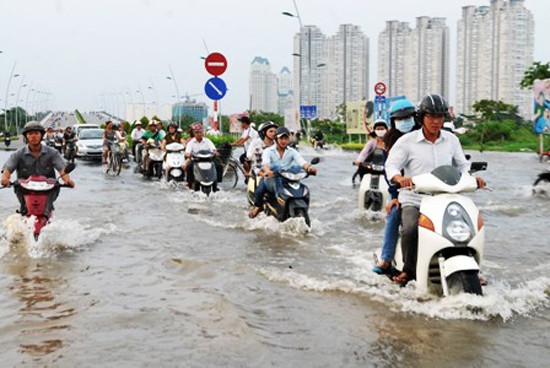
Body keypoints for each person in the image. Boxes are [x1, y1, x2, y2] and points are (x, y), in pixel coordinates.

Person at [384, 93, 486, 284]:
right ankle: (409, 269)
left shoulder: (451, 140)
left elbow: (462, 165)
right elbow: (391, 165)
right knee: (410, 228)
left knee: (471, 223)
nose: (436, 121)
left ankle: (473, 267)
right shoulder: (407, 141)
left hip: (445, 197)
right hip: (414, 198)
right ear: (421, 118)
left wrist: (472, 178)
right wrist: (399, 178)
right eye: (431, 116)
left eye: (440, 116)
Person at [370, 99, 418, 275]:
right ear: (394, 121)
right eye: (400, 118)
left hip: (433, 191)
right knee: (394, 215)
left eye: (408, 117)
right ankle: (386, 259)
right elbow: (389, 171)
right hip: (403, 192)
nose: (405, 121)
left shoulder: (425, 136)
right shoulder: (389, 142)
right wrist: (395, 196)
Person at [1, 121, 75, 216]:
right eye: (30, 133)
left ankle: (47, 213)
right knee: (23, 209)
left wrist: (67, 180)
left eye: (36, 133)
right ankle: (23, 211)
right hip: (25, 189)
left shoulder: (52, 153)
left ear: (41, 135)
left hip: (48, 190)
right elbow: (8, 168)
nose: (33, 136)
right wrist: (5, 179)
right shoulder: (18, 154)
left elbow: (62, 169)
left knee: (47, 208)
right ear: (26, 137)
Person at [248, 126, 318, 218]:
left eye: (286, 138)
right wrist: (268, 171)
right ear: (276, 139)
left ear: (289, 139)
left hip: (288, 178)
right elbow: (265, 164)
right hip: (272, 178)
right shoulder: (268, 151)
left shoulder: (292, 151)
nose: (283, 141)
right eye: (281, 138)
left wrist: (309, 168)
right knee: (260, 190)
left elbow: (301, 162)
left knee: (300, 179)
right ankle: (258, 207)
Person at [184, 123, 218, 188]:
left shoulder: (208, 141)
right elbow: (187, 152)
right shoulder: (191, 142)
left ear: (203, 132)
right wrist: (189, 154)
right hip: (196, 161)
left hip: (208, 160)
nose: (199, 134)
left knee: (218, 166)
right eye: (197, 132)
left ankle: (215, 182)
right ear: (194, 133)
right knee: (189, 167)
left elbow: (213, 149)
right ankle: (190, 183)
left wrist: (215, 152)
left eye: (200, 132)